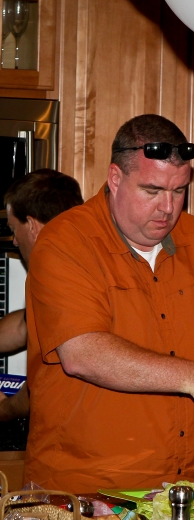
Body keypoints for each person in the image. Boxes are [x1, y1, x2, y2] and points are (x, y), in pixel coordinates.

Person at [25, 115, 194, 492]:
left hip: (193, 489)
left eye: (179, 191)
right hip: (88, 493)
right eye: (152, 190)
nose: (168, 207)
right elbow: (82, 353)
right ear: (115, 179)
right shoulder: (65, 242)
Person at [0, 169, 84, 421]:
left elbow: (43, 385)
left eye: (14, 229)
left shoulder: (58, 276)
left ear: (32, 226)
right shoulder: (76, 258)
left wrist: (3, 408)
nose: (15, 241)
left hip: (74, 429)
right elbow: (25, 325)